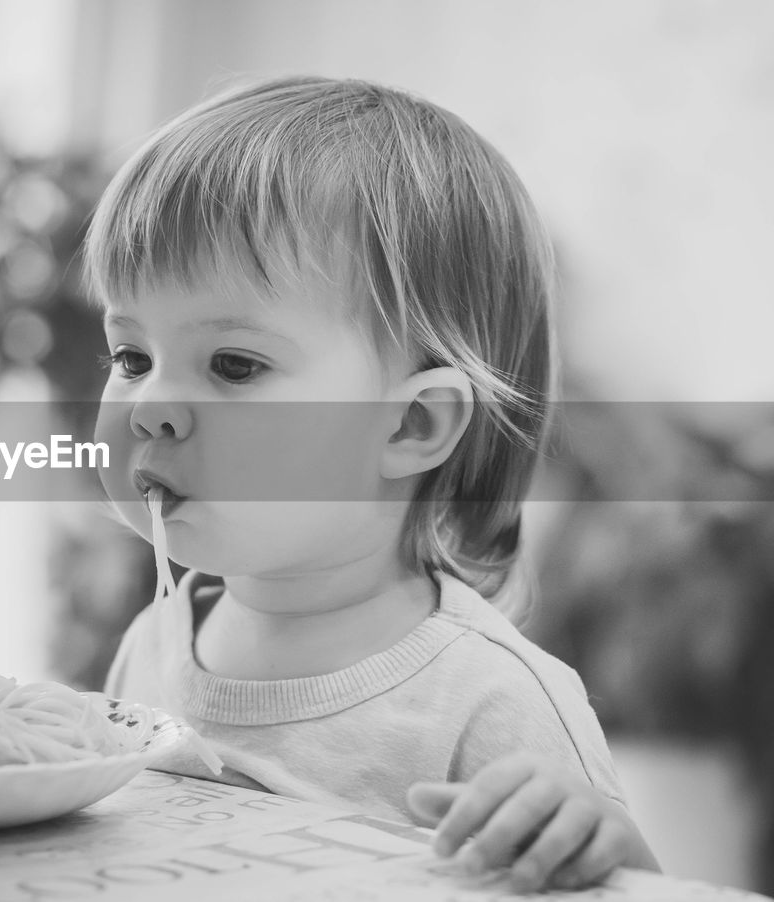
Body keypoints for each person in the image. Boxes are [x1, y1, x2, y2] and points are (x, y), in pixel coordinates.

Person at [84, 76, 659, 893]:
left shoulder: (488, 699)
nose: (150, 409)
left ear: (410, 427)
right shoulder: (156, 641)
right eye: (131, 358)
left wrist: (600, 842)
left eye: (235, 364)